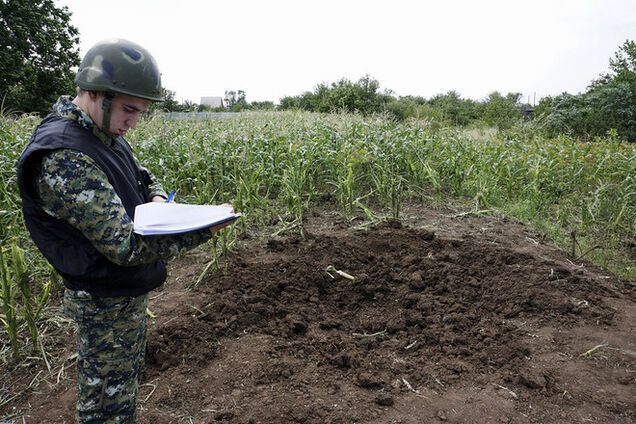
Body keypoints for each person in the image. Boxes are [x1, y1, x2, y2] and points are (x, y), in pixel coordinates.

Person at [16, 38, 232, 423]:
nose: (133, 123)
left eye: (141, 113)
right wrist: (203, 229)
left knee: (121, 384)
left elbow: (141, 175)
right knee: (106, 402)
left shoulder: (101, 134)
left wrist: (158, 197)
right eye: (130, 110)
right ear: (96, 94)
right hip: (104, 300)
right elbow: (125, 247)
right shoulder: (65, 156)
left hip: (120, 291)